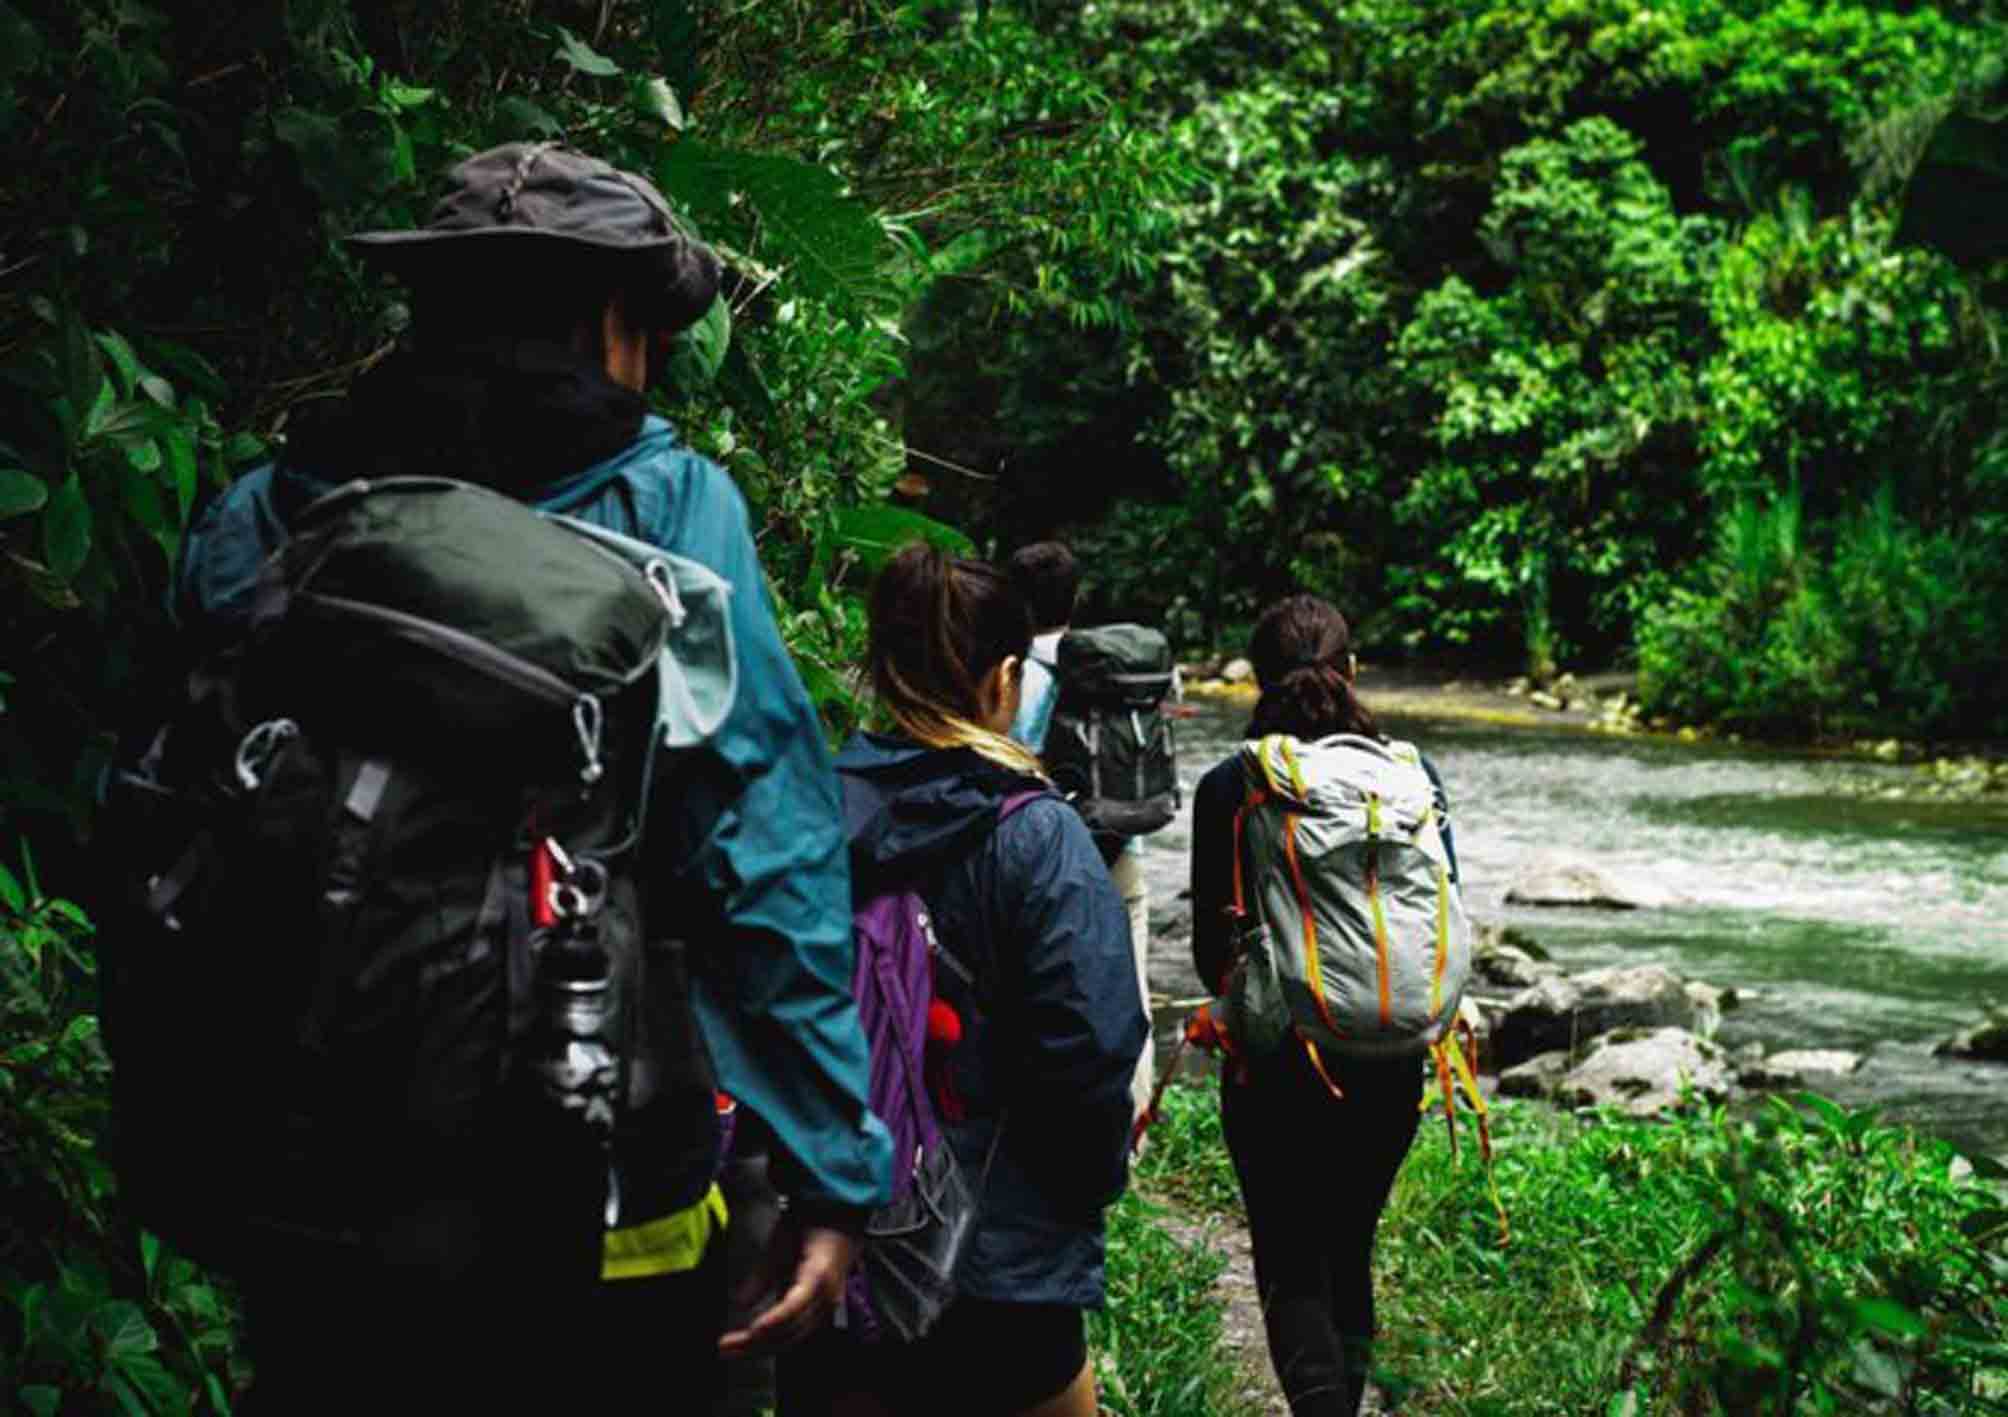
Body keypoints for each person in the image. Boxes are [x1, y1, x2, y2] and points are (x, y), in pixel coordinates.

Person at [170, 141, 892, 1410]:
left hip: (314, 1183)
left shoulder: (273, 513)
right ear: (613, 319)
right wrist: (832, 1165)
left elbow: (179, 814)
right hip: (602, 1178)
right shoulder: (669, 511)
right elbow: (764, 851)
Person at [778, 545, 1147, 1417]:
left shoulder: (803, 816)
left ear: (879, 665)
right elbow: (1092, 1047)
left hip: (838, 1253)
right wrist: (1084, 1185)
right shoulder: (1040, 835)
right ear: (1004, 678)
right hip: (1005, 1262)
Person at [1187, 595, 1459, 1417]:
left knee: (1290, 1261)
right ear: (1352, 670)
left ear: (1260, 681)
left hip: (1281, 1065)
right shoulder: (1416, 777)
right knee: (1349, 1247)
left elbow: (1211, 955)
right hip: (1393, 1057)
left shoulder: (1233, 784)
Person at [1004, 541, 1166, 1133]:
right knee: (1134, 996)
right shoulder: (1113, 668)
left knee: (1044, 993)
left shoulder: (1012, 673)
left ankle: (1055, 1130)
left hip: (1047, 854)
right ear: (1076, 597)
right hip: (1125, 849)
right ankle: (1133, 1132)